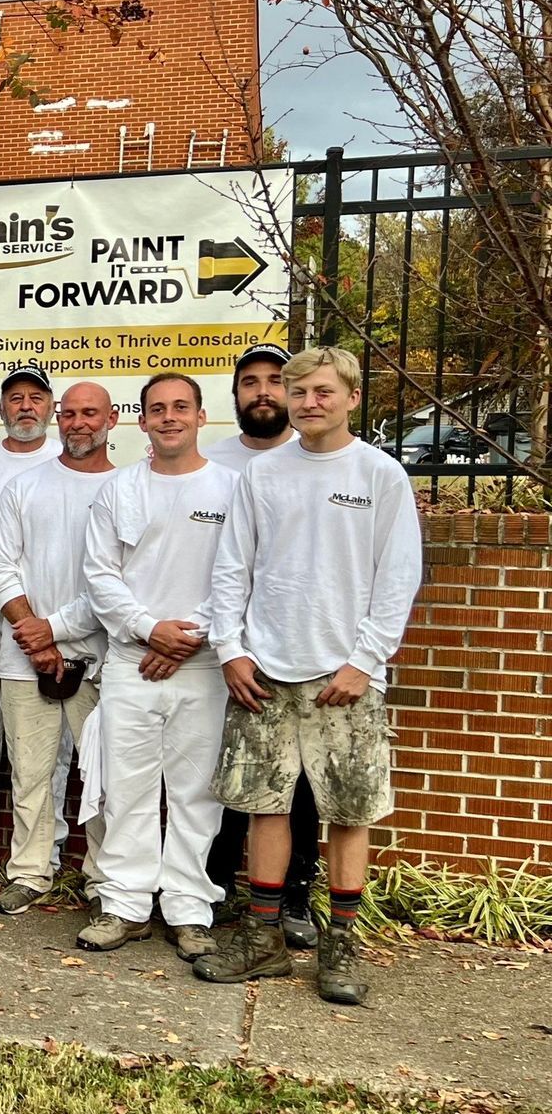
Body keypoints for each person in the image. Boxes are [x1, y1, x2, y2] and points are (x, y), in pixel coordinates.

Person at [196, 346, 422, 1006]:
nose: (308, 402)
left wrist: (365, 661)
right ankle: (263, 939)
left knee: (349, 812)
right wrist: (231, 650)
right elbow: (232, 567)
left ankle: (340, 946)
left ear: (352, 397)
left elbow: (398, 576)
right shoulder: (263, 474)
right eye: (298, 392)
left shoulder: (379, 474)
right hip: (264, 670)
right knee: (265, 805)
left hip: (344, 676)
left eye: (322, 391)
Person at [78, 374, 241, 960]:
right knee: (128, 789)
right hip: (131, 661)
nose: (169, 417)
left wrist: (186, 637)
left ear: (201, 416)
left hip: (202, 665)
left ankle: (189, 908)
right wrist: (150, 629)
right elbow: (100, 575)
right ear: (141, 421)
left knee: (196, 792)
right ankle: (124, 904)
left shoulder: (231, 488)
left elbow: (239, 575)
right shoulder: (119, 490)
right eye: (157, 409)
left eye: (181, 407)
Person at [0, 381, 118, 916]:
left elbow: (115, 583)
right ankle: (30, 872)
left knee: (104, 777)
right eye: (70, 413)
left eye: (91, 413)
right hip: (24, 656)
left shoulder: (126, 488)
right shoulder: (25, 487)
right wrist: (34, 637)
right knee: (30, 773)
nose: (79, 423)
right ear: (58, 419)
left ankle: (105, 881)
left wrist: (53, 631)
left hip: (103, 660)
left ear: (112, 420)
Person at [201, 341, 318, 944]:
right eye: (251, 381)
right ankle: (216, 886)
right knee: (226, 776)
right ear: (235, 395)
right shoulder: (211, 461)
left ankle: (294, 898)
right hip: (222, 649)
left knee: (301, 786)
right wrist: (226, 644)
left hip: (295, 650)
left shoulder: (317, 458)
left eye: (277, 380)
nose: (264, 391)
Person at [0, 366, 63, 877]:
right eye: (16, 398)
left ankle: (52, 849)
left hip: (53, 631)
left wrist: (51, 627)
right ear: (1, 408)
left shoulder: (67, 461)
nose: (26, 406)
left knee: (51, 750)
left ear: (51, 407)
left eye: (36, 397)